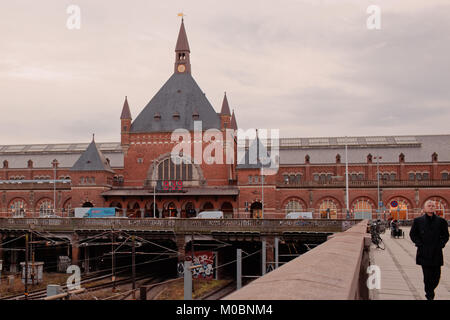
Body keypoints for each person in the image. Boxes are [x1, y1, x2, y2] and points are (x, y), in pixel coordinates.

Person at [410, 200, 449, 300]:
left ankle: (430, 290)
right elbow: (413, 234)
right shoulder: (418, 221)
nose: (431, 207)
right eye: (429, 206)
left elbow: (446, 235)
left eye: (433, 206)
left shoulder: (441, 221)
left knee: (437, 276)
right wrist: (419, 244)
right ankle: (429, 295)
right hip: (424, 252)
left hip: (436, 252)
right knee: (427, 276)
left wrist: (441, 244)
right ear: (424, 208)